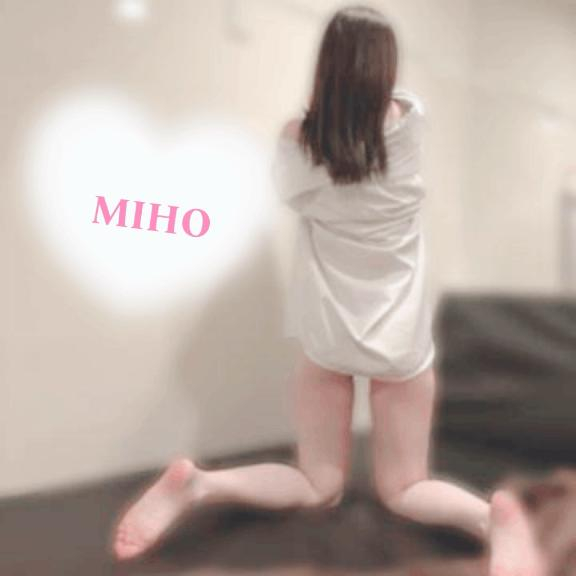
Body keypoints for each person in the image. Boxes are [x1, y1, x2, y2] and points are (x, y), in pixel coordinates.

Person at [111, 6, 544, 574]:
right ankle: (492, 520)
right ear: (384, 70)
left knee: (318, 484)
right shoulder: (409, 129)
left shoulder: (298, 142)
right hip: (399, 340)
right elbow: (395, 104)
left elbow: (292, 186)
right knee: (405, 487)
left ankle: (201, 485)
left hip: (328, 335)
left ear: (326, 66)